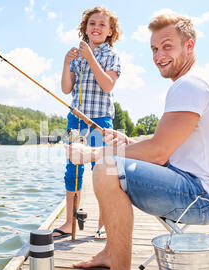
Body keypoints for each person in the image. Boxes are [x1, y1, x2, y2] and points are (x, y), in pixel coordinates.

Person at [65, 13, 209, 270]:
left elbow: (159, 153)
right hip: (208, 192)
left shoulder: (190, 85)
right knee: (113, 163)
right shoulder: (193, 82)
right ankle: (112, 253)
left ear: (189, 45)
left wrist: (92, 153)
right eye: (154, 49)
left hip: (204, 199)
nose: (159, 55)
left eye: (167, 46)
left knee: (105, 169)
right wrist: (131, 143)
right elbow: (170, 148)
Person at [53, 7, 122, 240]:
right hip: (76, 120)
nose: (96, 28)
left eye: (102, 25)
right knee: (72, 169)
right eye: (92, 23)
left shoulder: (111, 55)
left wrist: (90, 58)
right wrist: (66, 63)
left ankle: (104, 223)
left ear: (110, 31)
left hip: (101, 121)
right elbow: (66, 88)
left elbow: (107, 85)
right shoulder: (77, 55)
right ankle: (69, 222)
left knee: (103, 170)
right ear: (85, 28)